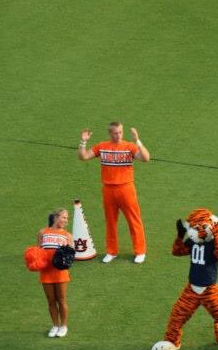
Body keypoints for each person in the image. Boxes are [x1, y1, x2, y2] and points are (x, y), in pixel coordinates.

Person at [78, 122, 150, 264]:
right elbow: (83, 157)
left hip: (126, 188)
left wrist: (137, 140)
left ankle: (140, 251)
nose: (119, 135)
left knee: (134, 220)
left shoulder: (129, 146)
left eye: (120, 132)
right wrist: (83, 142)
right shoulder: (102, 146)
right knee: (110, 222)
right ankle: (111, 251)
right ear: (110, 133)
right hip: (108, 189)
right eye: (116, 133)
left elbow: (146, 158)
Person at [38, 208, 74, 338]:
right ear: (55, 217)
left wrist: (63, 257)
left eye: (67, 218)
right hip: (46, 271)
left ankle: (63, 326)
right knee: (51, 300)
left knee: (61, 299)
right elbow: (39, 252)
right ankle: (55, 325)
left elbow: (71, 256)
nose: (65, 220)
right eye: (63, 217)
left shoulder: (67, 235)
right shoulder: (43, 232)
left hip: (60, 272)